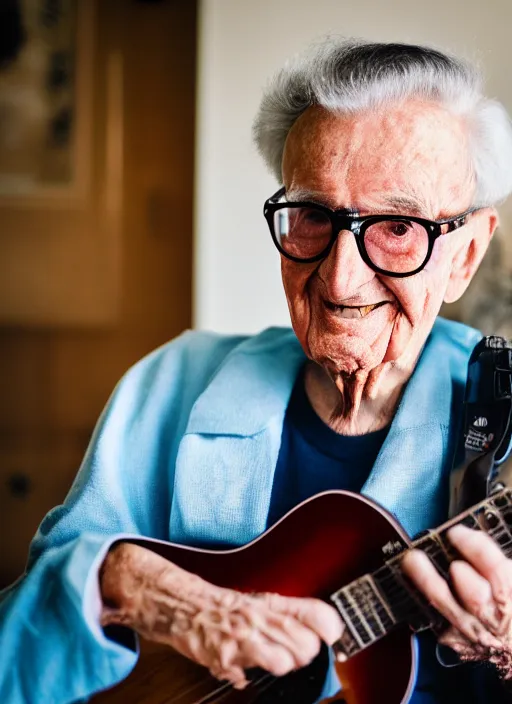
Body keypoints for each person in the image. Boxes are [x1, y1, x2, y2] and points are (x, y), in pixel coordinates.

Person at [1, 38, 512, 704]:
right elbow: (17, 649)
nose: (341, 275)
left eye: (395, 226)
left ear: (466, 256)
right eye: (310, 216)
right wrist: (121, 579)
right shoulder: (171, 385)